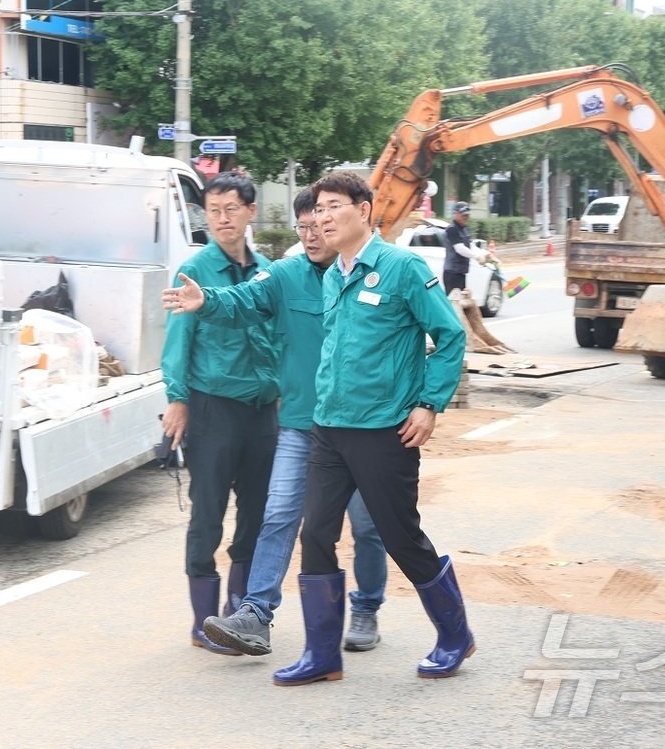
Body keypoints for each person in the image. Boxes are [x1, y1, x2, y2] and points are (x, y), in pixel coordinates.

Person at [162, 189, 388, 657]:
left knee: (365, 525)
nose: (312, 235)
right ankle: (250, 614)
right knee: (272, 515)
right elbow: (237, 303)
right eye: (303, 227)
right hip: (286, 421)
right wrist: (204, 307)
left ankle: (366, 606)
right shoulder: (281, 275)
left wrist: (423, 402)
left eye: (321, 224)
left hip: (357, 424)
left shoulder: (377, 273)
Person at [276, 169, 470, 686]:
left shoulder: (402, 268)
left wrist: (429, 404)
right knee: (316, 534)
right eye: (318, 209)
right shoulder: (332, 275)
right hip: (329, 428)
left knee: (400, 538)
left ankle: (455, 635)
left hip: (384, 430)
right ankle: (322, 655)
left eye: (333, 207)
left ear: (363, 211)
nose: (322, 218)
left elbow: (449, 336)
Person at [161, 171, 280, 654]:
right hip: (213, 407)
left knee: (258, 514)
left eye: (231, 209)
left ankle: (238, 616)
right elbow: (178, 340)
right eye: (214, 211)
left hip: (263, 410)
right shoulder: (195, 271)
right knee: (207, 514)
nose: (222, 219)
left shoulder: (269, 272)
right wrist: (177, 399)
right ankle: (200, 623)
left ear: (251, 212)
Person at [441, 201, 489, 295]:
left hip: (461, 272)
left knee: (462, 300)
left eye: (467, 215)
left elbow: (470, 246)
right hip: (452, 273)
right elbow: (460, 249)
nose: (465, 217)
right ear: (455, 213)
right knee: (454, 301)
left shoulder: (465, 229)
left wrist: (483, 254)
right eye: (463, 215)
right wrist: (477, 257)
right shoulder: (452, 229)